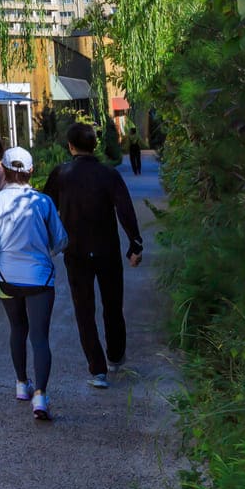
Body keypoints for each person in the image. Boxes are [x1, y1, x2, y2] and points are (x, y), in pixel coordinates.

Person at [44, 121, 145, 389]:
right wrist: (135, 244)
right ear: (94, 145)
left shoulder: (60, 174)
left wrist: (45, 243)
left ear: (70, 146)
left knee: (84, 310)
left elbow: (45, 208)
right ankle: (116, 356)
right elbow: (125, 210)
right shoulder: (109, 174)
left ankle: (97, 369)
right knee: (113, 305)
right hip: (107, 249)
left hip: (75, 251)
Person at [0, 146, 68, 422]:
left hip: (7, 280)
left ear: (4, 170)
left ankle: (21, 384)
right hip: (40, 279)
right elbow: (61, 240)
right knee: (39, 337)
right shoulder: (43, 202)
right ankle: (40, 396)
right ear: (31, 171)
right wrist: (45, 249)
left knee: (17, 329)